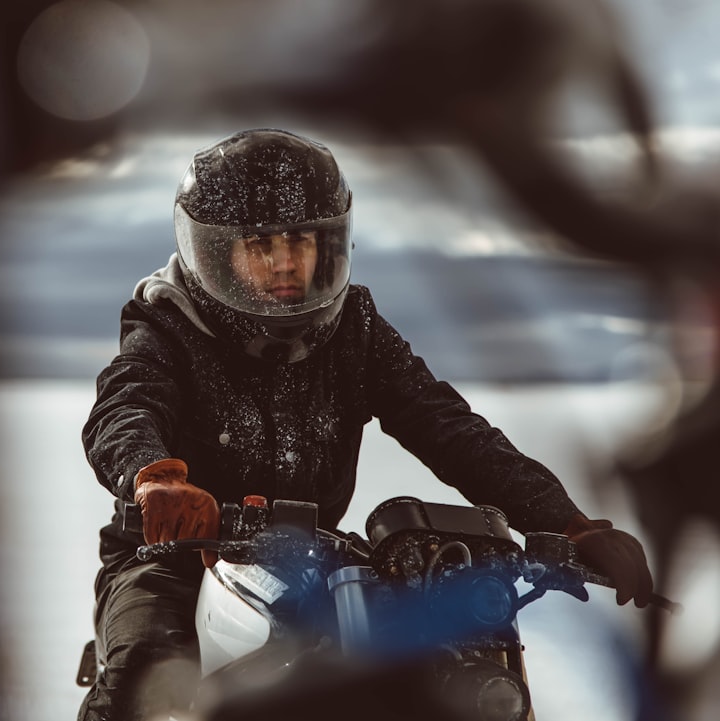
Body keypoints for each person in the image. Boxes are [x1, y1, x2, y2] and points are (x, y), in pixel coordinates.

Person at [78, 128, 656, 721]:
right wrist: (155, 476)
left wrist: (568, 522)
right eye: (260, 245)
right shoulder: (168, 325)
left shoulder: (352, 329)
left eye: (301, 241)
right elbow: (125, 404)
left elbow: (449, 427)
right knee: (144, 675)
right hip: (172, 554)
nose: (285, 261)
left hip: (309, 559)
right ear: (216, 254)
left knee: (440, 669)